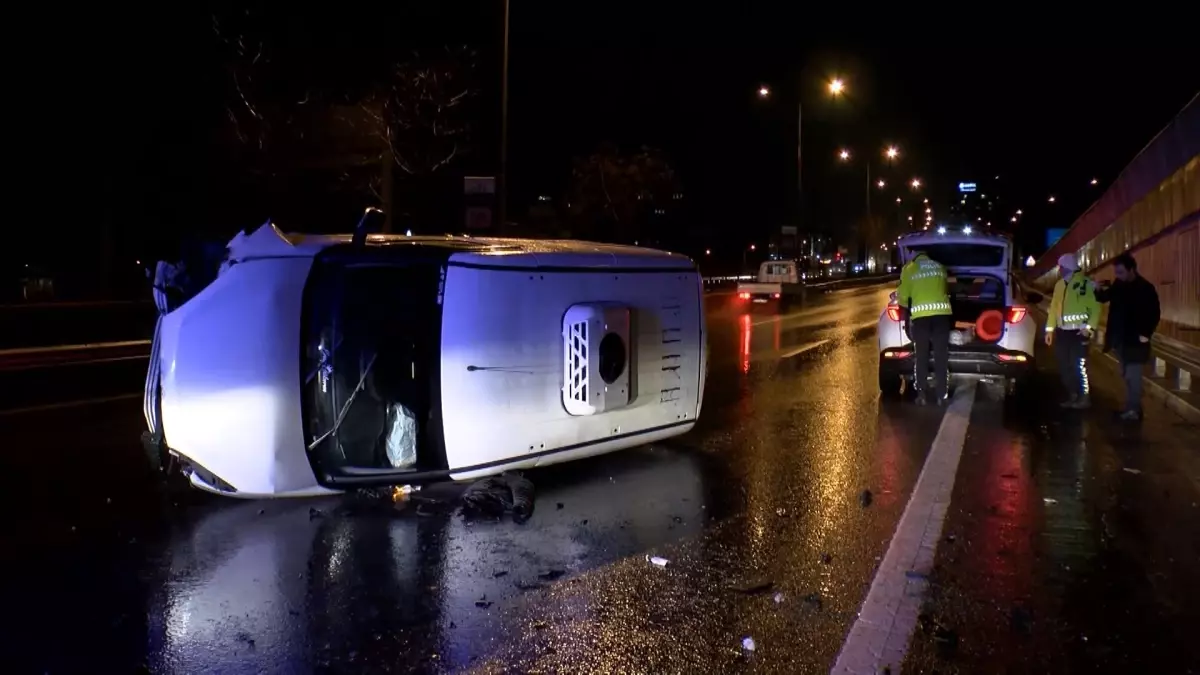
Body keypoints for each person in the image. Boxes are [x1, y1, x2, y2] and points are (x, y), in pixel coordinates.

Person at [1095, 253, 1160, 421]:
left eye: (1121, 272)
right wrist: (1097, 289)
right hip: (1120, 339)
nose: (1118, 276)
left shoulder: (1145, 288)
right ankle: (1132, 407)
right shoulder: (1119, 285)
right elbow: (1103, 298)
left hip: (1136, 340)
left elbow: (1154, 313)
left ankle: (1133, 410)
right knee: (1126, 374)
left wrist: (1145, 333)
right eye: (1116, 272)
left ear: (1132, 270)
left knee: (1133, 375)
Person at [1045, 253, 1101, 409]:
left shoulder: (1085, 284)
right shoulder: (1059, 285)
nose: (1060, 270)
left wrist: (1088, 329)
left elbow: (1095, 308)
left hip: (1078, 333)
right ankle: (1073, 395)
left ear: (1068, 267)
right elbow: (1054, 309)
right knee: (1064, 365)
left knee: (1079, 366)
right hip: (1062, 333)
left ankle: (1084, 398)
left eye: (1061, 267)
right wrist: (1049, 330)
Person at [897, 250, 952, 404]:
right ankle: (942, 395)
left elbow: (903, 298)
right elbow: (945, 290)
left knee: (921, 356)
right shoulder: (940, 267)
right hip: (941, 316)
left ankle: (921, 394)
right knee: (941, 356)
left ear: (914, 257)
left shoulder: (909, 269)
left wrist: (907, 307)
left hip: (921, 319)